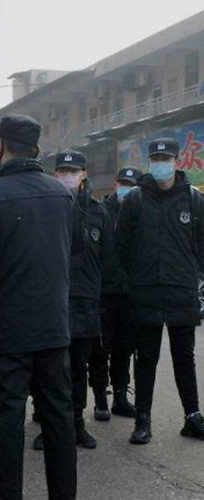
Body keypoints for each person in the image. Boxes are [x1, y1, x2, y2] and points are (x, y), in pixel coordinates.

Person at [0, 115, 77, 500]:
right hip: (53, 327)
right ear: (37, 150)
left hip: (6, 332)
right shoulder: (62, 195)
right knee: (59, 418)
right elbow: (74, 252)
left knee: (7, 421)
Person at [116, 138, 204, 444]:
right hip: (146, 291)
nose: (160, 164)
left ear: (177, 161)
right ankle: (142, 420)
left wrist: (196, 280)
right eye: (155, 159)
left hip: (182, 291)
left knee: (184, 357)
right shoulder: (136, 199)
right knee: (146, 359)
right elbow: (121, 246)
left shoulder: (193, 199)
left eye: (165, 158)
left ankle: (192, 417)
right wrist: (137, 276)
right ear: (149, 162)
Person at [34, 151, 112, 451]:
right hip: (52, 300)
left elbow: (108, 259)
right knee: (50, 368)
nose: (68, 175)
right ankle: (50, 426)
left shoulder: (99, 212)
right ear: (55, 175)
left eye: (73, 170)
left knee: (79, 366)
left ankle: (77, 423)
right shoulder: (45, 208)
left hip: (85, 300)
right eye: (63, 170)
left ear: (84, 174)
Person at [88, 167, 142, 421]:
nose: (126, 189)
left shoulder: (141, 212)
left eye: (132, 185)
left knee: (124, 347)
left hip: (130, 291)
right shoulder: (102, 212)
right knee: (100, 348)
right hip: (105, 292)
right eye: (124, 183)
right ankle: (101, 398)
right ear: (115, 185)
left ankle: (120, 397)